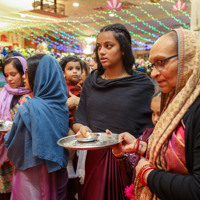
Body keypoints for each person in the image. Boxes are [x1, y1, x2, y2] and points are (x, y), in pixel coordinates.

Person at [113, 28, 200, 200]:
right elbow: (176, 157)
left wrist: (147, 174)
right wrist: (141, 147)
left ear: (188, 59)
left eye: (161, 62)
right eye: (153, 65)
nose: (153, 73)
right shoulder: (178, 103)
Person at [73, 23, 154, 200]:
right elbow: (79, 120)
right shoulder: (91, 82)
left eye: (109, 46)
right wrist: (84, 130)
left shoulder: (142, 85)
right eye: (99, 47)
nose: (101, 52)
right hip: (94, 157)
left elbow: (151, 129)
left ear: (123, 49)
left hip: (127, 160)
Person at [4, 54, 69, 200]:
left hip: (30, 173)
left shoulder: (28, 108)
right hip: (54, 171)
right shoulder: (61, 106)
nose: (24, 77)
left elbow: (15, 144)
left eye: (27, 73)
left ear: (38, 76)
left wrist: (8, 134)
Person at [0, 55, 30, 200]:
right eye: (6, 75)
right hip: (2, 148)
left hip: (19, 151)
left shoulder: (30, 95)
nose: (9, 79)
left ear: (24, 73)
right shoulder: (3, 93)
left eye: (13, 74)